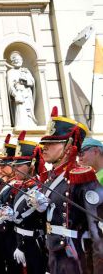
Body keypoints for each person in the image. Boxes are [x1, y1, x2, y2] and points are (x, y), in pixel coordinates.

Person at [29, 107, 103, 273]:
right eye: (44, 143)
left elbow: (98, 231)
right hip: (54, 253)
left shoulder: (82, 177)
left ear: (69, 145)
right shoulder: (50, 179)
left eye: (51, 143)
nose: (44, 147)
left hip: (75, 255)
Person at [0, 133, 48, 274]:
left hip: (33, 242)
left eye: (19, 166)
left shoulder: (39, 186)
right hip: (19, 239)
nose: (15, 169)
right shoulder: (23, 185)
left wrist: (22, 245)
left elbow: (31, 220)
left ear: (31, 166)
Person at [7, 51, 37, 127]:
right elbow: (10, 86)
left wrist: (25, 80)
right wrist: (16, 94)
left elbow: (32, 82)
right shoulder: (11, 72)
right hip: (19, 94)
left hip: (27, 94)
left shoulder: (26, 71)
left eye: (19, 60)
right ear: (12, 62)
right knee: (21, 110)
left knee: (29, 110)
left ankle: (30, 124)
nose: (17, 61)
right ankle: (21, 125)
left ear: (22, 60)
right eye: (15, 60)